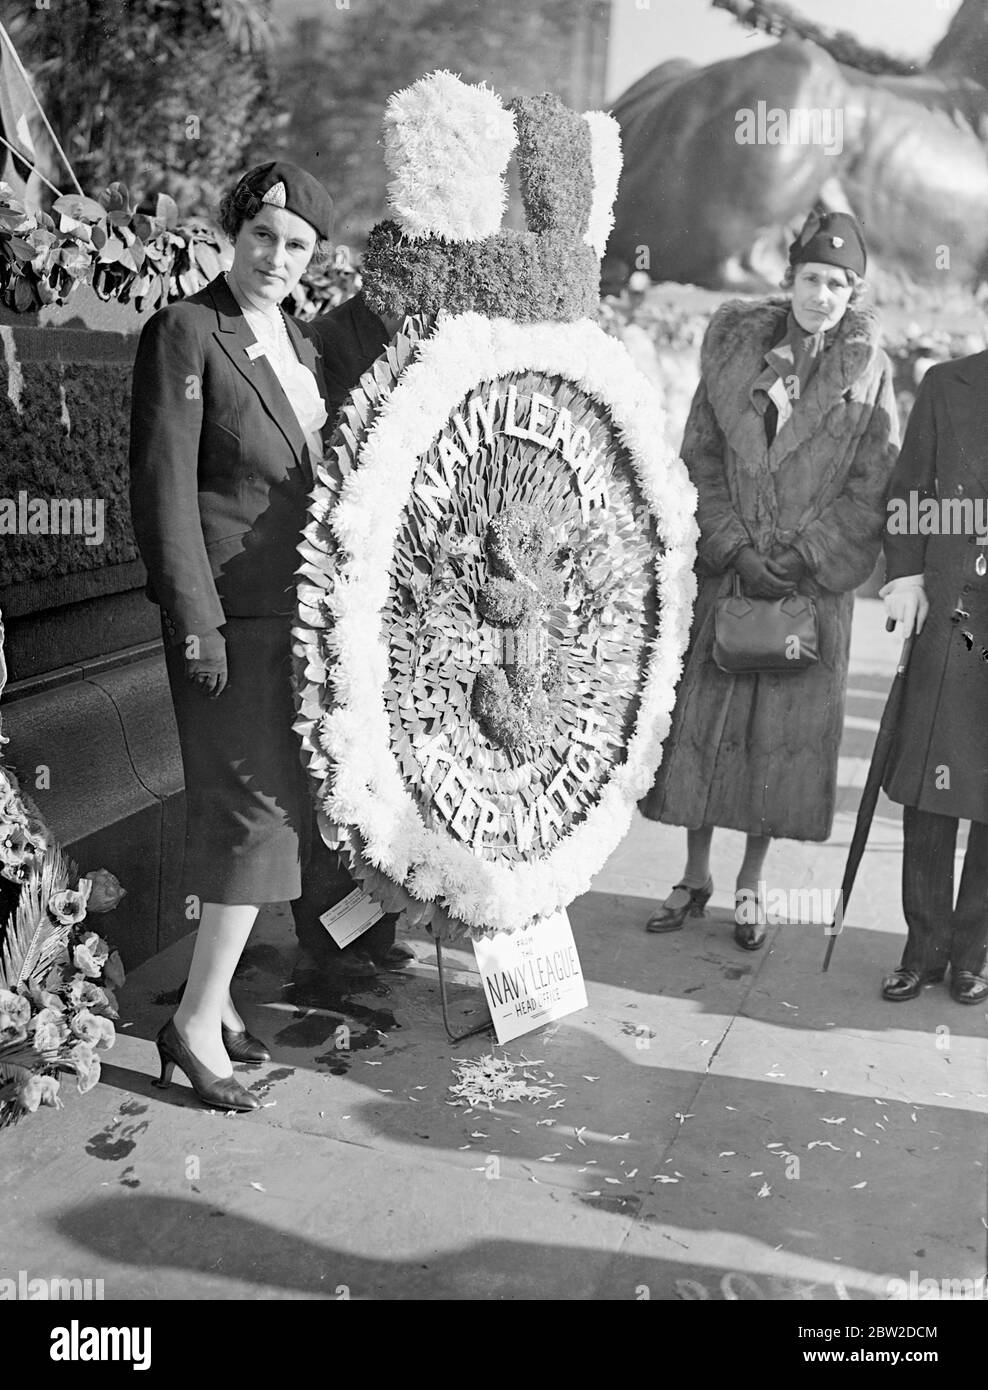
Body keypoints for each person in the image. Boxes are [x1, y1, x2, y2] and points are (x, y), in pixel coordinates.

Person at [129, 162, 390, 1112]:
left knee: (267, 812)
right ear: (232, 233)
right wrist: (194, 624)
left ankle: (215, 1001)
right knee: (253, 816)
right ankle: (193, 1026)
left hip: (296, 622)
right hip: (229, 625)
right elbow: (162, 494)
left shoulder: (303, 346)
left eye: (297, 246)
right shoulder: (188, 333)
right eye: (263, 236)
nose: (276, 258)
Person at [640, 211, 899, 949]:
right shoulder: (735, 351)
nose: (823, 295)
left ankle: (751, 884)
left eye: (839, 285)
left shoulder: (868, 370)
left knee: (772, 742)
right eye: (812, 279)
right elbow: (699, 458)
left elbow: (872, 483)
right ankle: (693, 873)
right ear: (789, 280)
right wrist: (730, 545)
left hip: (807, 591)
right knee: (704, 725)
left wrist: (806, 556)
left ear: (853, 295)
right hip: (730, 576)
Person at [878, 359, 988, 1005]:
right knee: (930, 786)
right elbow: (909, 489)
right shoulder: (950, 384)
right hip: (952, 610)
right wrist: (907, 576)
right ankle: (923, 949)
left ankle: (972, 954)